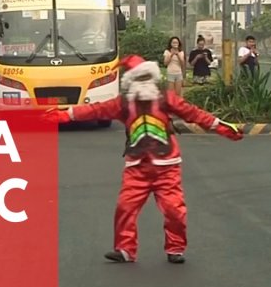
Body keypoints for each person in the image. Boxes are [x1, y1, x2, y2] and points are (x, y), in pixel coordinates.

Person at [43, 55, 243, 264]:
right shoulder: (122, 104)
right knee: (125, 207)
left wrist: (225, 128)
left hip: (167, 166)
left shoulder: (166, 98)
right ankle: (125, 249)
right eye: (140, 78)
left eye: (147, 77)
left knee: (174, 210)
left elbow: (195, 114)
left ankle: (175, 248)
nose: (144, 82)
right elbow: (93, 110)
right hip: (137, 167)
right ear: (131, 82)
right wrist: (59, 116)